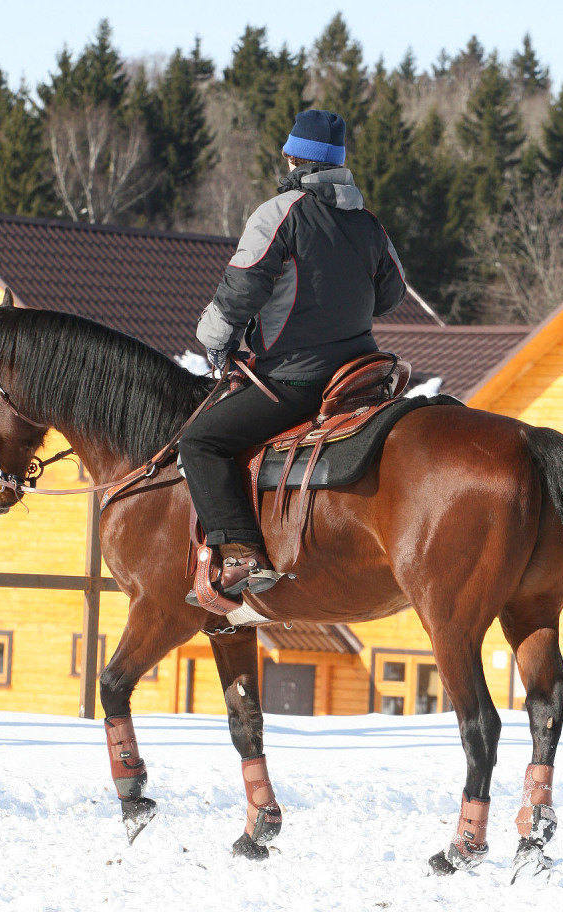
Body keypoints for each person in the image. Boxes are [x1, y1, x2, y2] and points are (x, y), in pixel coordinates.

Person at [180, 109, 407, 602]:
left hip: (295, 379)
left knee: (200, 442)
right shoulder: (368, 223)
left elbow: (242, 287)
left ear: (292, 156)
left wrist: (214, 338)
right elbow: (393, 293)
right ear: (338, 164)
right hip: (358, 374)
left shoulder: (279, 212)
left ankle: (241, 556)